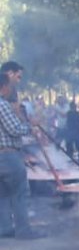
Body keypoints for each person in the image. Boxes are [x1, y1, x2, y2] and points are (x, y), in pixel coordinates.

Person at [0, 72, 44, 239]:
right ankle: (23, 230)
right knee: (19, 193)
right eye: (10, 86)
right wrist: (30, 129)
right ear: (4, 86)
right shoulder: (2, 104)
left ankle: (4, 228)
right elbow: (14, 129)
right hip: (8, 156)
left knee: (2, 194)